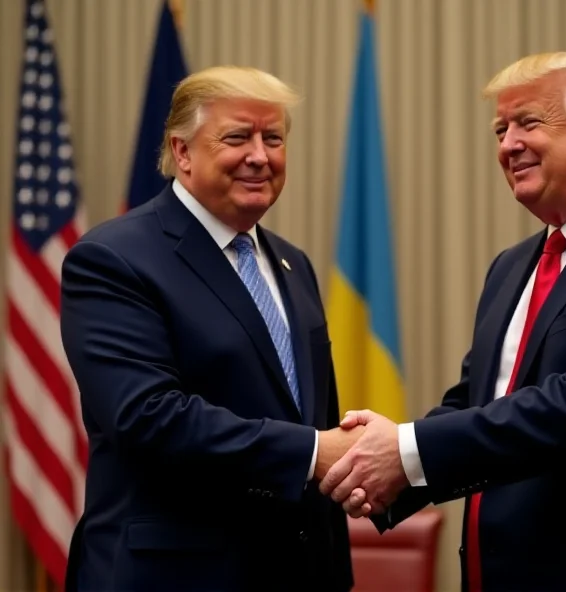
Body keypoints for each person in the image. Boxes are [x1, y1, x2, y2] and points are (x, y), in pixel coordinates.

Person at [320, 51, 566, 592]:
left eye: (528, 123)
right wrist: (380, 471)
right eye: (500, 129)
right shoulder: (512, 267)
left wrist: (406, 451)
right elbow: (479, 401)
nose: (507, 145)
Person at [61, 65, 361, 592]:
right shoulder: (114, 258)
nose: (259, 156)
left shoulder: (293, 264)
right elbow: (149, 416)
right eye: (237, 137)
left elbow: (311, 412)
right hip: (176, 574)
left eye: (273, 138)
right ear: (182, 153)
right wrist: (314, 453)